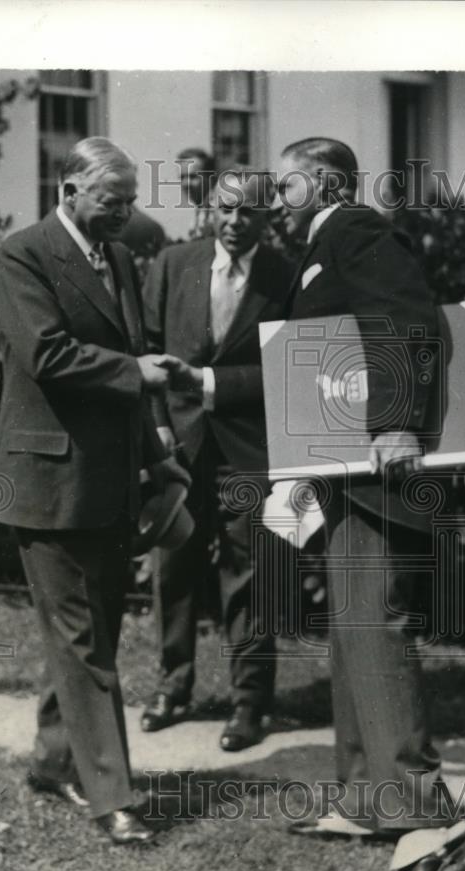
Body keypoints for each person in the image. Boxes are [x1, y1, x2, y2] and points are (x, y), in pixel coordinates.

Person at [271, 137, 465, 871]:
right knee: (351, 631)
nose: (277, 199)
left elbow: (405, 318)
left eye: (285, 185)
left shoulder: (354, 229)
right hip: (341, 468)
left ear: (320, 181)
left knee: (373, 628)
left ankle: (426, 816)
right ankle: (363, 798)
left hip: (374, 466)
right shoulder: (324, 240)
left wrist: (396, 424)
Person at [0, 136, 189, 845]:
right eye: (115, 199)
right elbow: (46, 353)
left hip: (110, 482)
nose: (128, 212)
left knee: (88, 634)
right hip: (48, 480)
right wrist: (138, 373)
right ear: (70, 189)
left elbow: (136, 359)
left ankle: (52, 761)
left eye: (132, 199)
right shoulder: (24, 254)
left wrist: (158, 445)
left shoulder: (123, 259)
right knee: (82, 642)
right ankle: (113, 798)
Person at [140, 167, 293, 751]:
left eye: (248, 212)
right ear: (210, 208)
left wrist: (208, 383)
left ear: (268, 216)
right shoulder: (173, 264)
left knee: (249, 575)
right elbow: (146, 354)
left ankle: (250, 702)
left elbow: (287, 369)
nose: (233, 222)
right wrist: (158, 436)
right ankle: (173, 688)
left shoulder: (285, 277)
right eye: (224, 209)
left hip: (247, 451)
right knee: (172, 569)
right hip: (177, 445)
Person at [177, 146, 216, 239]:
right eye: (182, 177)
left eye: (193, 177)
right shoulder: (201, 210)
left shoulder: (219, 211)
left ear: (210, 177)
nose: (186, 183)